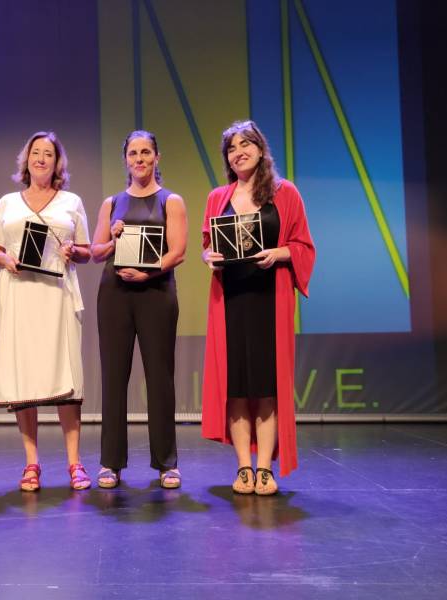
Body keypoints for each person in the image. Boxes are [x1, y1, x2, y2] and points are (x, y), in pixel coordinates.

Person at [201, 120, 315, 495]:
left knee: (266, 387)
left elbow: (303, 246)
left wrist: (278, 254)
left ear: (261, 150)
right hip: (231, 301)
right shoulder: (218, 197)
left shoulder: (285, 193)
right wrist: (209, 257)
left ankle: (264, 468)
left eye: (246, 144)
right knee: (235, 388)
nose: (239, 152)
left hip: (269, 299)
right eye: (232, 148)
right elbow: (207, 245)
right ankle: (244, 468)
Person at [0, 131, 92, 492]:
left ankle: (75, 463)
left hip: (57, 294)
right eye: (36, 152)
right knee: (25, 377)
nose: (42, 159)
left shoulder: (71, 201)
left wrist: (72, 252)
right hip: (19, 293)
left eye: (49, 153)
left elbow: (87, 250)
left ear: (57, 162)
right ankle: (31, 463)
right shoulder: (8, 202)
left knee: (65, 375)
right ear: (26, 159)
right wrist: (7, 261)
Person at [91, 130, 187, 489]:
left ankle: (167, 462)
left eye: (146, 152)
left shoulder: (171, 200)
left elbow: (178, 251)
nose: (140, 159)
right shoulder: (111, 203)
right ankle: (110, 463)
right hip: (115, 293)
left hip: (156, 292)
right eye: (133, 153)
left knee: (159, 377)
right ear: (126, 160)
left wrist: (147, 272)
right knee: (114, 377)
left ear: (157, 157)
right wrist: (112, 237)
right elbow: (96, 251)